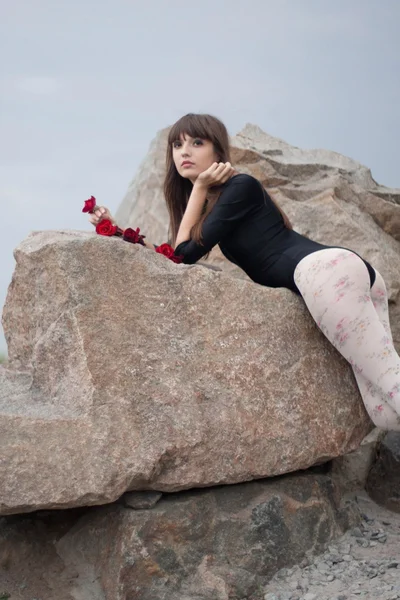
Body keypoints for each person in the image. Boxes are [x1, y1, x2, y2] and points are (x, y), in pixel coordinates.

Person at [88, 113, 400, 431]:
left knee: (393, 385)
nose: (184, 151)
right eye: (177, 144)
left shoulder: (241, 186)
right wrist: (116, 231)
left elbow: (182, 256)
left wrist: (198, 188)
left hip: (325, 274)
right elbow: (173, 256)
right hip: (339, 275)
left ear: (218, 152)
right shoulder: (221, 203)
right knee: (385, 413)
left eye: (197, 142)